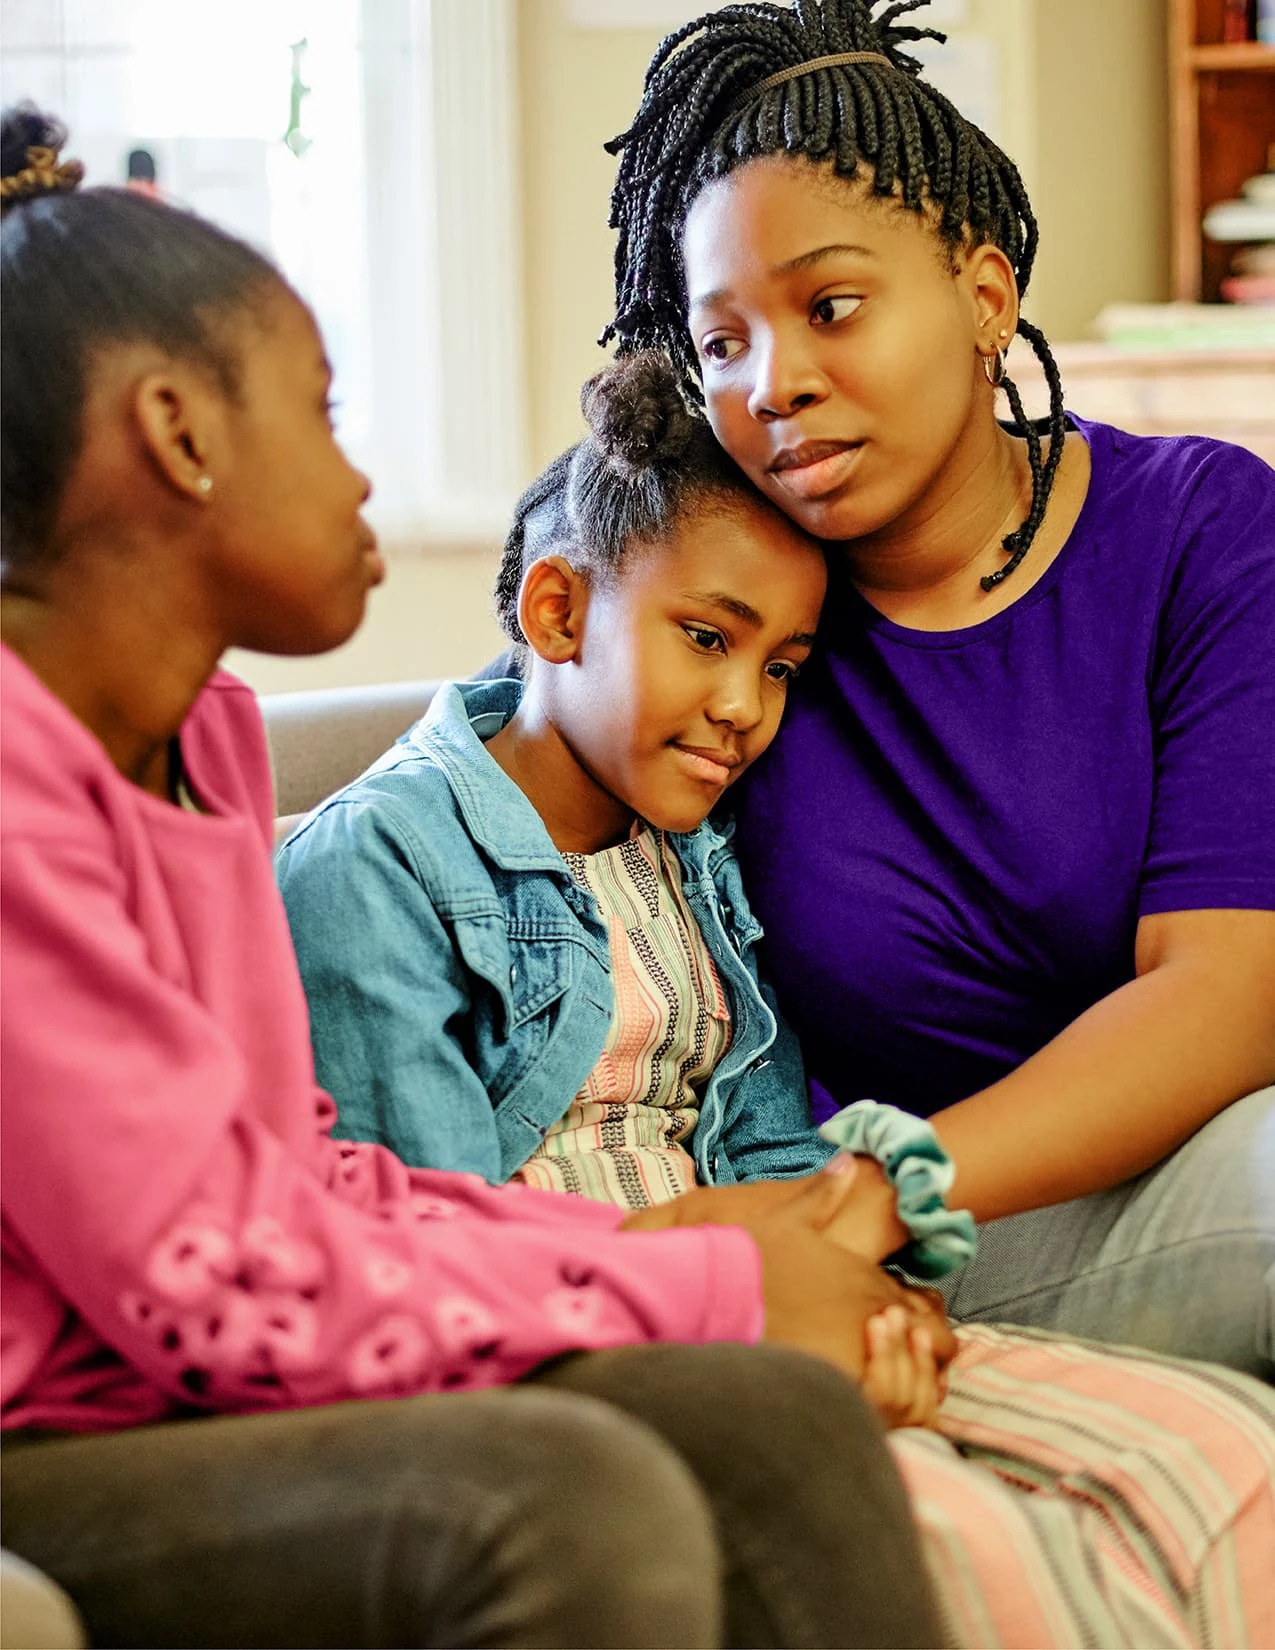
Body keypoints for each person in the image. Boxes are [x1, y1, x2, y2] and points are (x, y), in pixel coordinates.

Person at [0, 104, 950, 1650]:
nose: (362, 482)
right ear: (176, 432)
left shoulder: (209, 746)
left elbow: (304, 1181)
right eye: (321, 411)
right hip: (46, 1436)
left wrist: (731, 1263)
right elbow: (222, 1278)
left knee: (772, 1422)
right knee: (560, 1496)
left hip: (151, 1389)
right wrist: (702, 1283)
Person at [277, 352, 1275, 1650]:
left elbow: (767, 1146)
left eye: (787, 663)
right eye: (706, 638)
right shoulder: (374, 866)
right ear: (559, 609)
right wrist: (754, 1297)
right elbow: (429, 1242)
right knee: (970, 1546)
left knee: (1220, 1453)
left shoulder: (693, 852)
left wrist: (869, 1293)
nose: (747, 708)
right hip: (596, 1339)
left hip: (776, 1293)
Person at [599, 0, 1275, 1376]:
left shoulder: (1202, 529)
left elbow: (1228, 988)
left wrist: (865, 1197)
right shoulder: (731, 619)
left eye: (830, 306)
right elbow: (510, 769)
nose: (773, 384)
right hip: (959, 1241)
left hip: (1103, 1176)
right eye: (720, 344)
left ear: (982, 296)